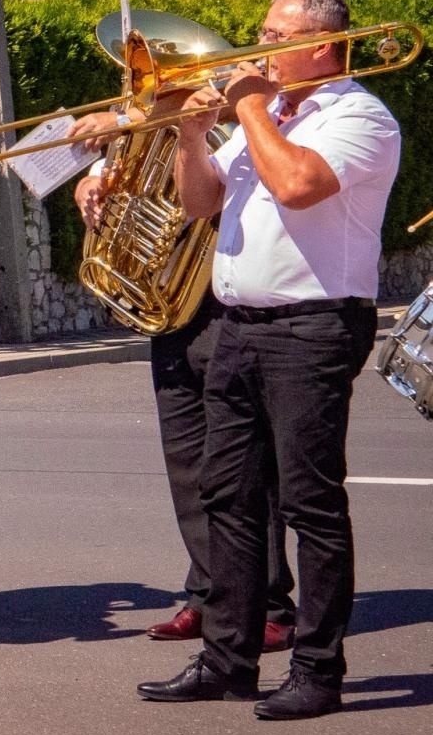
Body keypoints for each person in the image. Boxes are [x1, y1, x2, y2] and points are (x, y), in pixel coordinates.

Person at [137, 0, 398, 720]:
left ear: (320, 45)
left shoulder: (359, 117)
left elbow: (298, 185)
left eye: (274, 34)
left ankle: (319, 670)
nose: (257, 45)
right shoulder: (273, 114)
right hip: (239, 327)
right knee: (229, 497)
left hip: (313, 330)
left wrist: (247, 105)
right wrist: (190, 136)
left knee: (310, 504)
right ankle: (229, 658)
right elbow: (198, 203)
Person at [71, 111, 296, 655]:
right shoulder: (152, 133)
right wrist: (93, 186)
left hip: (226, 302)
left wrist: (130, 117)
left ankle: (267, 605)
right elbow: (115, 182)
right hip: (171, 306)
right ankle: (208, 594)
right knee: (187, 464)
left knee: (243, 465)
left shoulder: (232, 119)